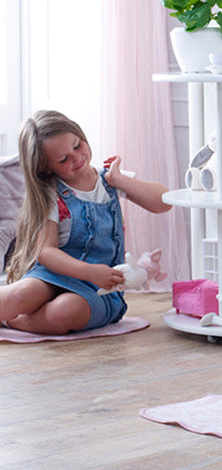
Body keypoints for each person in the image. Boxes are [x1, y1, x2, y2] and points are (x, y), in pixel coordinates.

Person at [0, 110, 171, 335]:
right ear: (46, 167)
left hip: (101, 288)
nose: (77, 158)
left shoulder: (109, 180)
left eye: (77, 145)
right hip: (52, 276)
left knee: (65, 311)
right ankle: (18, 311)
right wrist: (88, 271)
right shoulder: (51, 193)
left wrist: (119, 179)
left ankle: (17, 322)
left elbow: (163, 201)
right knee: (19, 294)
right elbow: (45, 252)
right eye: (63, 159)